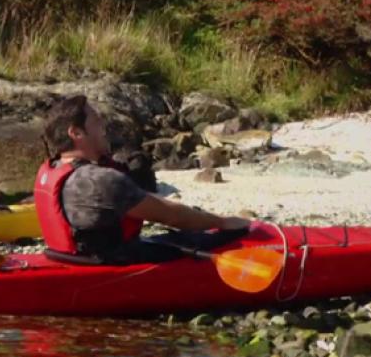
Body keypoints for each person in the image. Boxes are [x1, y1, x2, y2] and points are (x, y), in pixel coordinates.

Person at [34, 95, 250, 264]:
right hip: (107, 263)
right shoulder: (101, 180)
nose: (103, 128)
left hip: (65, 257)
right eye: (97, 122)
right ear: (76, 133)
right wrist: (222, 222)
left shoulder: (50, 169)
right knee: (202, 238)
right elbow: (173, 216)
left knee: (166, 239)